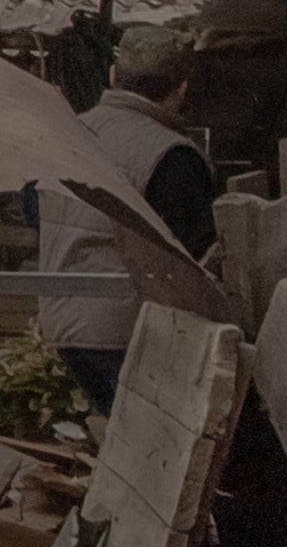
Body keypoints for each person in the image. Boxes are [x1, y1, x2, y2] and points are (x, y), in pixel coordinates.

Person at [38, 48, 222, 414]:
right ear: (182, 88)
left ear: (111, 75)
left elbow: (33, 212)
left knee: (119, 435)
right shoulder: (172, 154)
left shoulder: (66, 132)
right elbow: (195, 247)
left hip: (63, 319)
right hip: (129, 330)